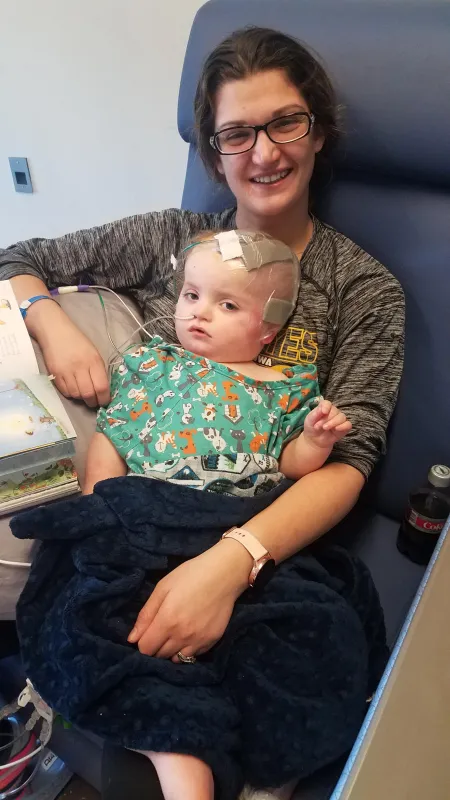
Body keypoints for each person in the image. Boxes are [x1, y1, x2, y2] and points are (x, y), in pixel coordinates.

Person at [1, 25, 404, 800]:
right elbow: (16, 260)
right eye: (236, 133)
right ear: (212, 153)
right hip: (129, 487)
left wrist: (230, 563)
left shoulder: (363, 290)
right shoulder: (172, 239)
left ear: (318, 130)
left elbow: (348, 462)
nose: (264, 153)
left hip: (245, 514)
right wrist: (51, 327)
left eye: (286, 122)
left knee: (306, 641)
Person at [86, 229, 352, 499]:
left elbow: (290, 465)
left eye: (228, 305)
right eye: (191, 295)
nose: (199, 312)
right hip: (149, 499)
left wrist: (314, 442)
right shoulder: (153, 366)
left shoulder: (284, 389)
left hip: (234, 514)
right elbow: (114, 433)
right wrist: (95, 503)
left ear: (269, 329)